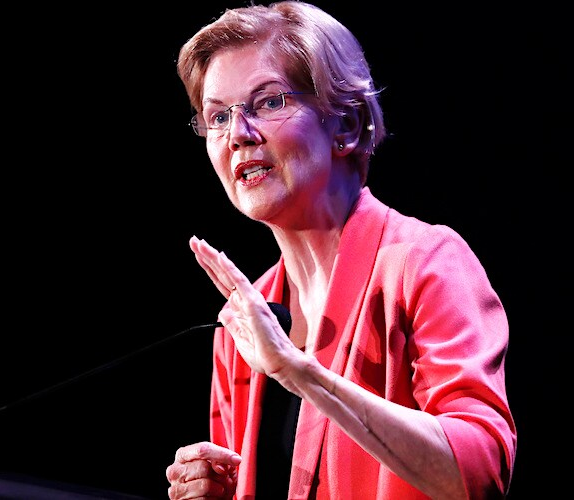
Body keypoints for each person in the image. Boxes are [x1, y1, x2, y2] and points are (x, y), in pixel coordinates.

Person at [165, 1, 517, 498]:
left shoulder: (425, 262)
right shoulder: (243, 319)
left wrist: (297, 370)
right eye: (218, 115)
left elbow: (477, 473)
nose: (238, 136)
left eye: (267, 102)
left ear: (346, 127)